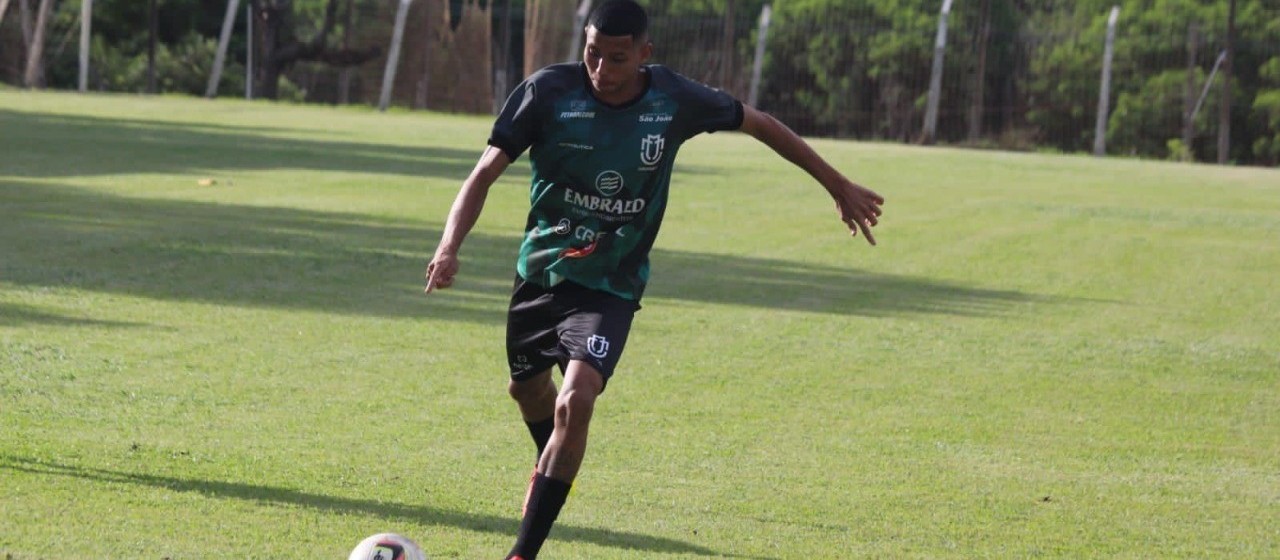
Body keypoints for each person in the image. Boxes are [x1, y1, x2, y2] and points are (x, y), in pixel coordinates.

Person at [423, 1, 883, 558]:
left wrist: (835, 184)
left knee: (576, 401)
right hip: (540, 275)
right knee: (525, 390)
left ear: (644, 54)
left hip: (610, 286)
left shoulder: (672, 100)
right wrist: (450, 246)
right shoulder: (547, 93)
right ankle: (550, 469)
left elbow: (757, 122)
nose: (601, 71)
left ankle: (523, 551)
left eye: (617, 59)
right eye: (592, 54)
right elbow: (484, 173)